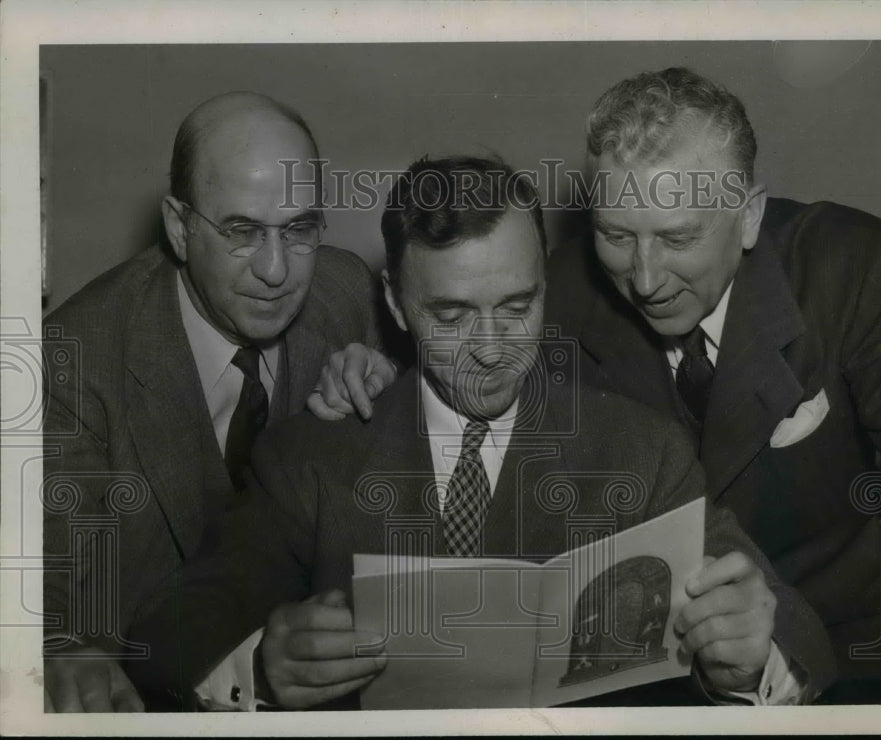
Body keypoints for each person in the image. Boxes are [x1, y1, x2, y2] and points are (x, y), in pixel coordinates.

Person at [126, 156, 836, 710]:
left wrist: (749, 659)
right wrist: (259, 668)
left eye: (518, 306)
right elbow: (172, 630)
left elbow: (798, 639)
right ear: (396, 307)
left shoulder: (640, 452)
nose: (492, 349)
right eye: (453, 315)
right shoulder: (310, 460)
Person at [542, 67, 881, 702]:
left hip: (864, 654)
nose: (643, 280)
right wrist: (364, 372)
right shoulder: (559, 293)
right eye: (616, 236)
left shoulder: (856, 271)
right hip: (668, 665)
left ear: (747, 217)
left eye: (677, 238)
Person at [41, 91, 394, 712]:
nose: (278, 271)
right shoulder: (74, 359)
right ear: (180, 227)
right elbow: (40, 602)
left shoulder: (345, 292)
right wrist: (58, 654)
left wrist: (389, 396)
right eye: (241, 231)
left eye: (300, 229)